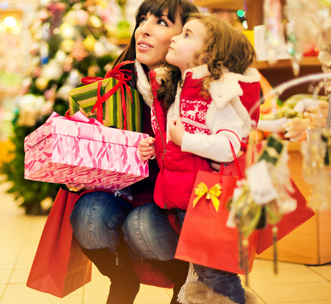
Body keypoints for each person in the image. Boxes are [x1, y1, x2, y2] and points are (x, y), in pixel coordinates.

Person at [67, 0, 199, 303]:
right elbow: (89, 147)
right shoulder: (116, 86)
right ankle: (122, 279)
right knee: (88, 216)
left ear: (186, 36)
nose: (145, 30)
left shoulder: (195, 90)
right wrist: (75, 170)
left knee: (142, 226)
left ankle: (183, 281)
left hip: (174, 207)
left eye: (161, 23)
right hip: (125, 194)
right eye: (142, 20)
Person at [132, 13, 261, 304]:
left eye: (187, 34)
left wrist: (183, 141)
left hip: (210, 201)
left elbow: (229, 144)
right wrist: (160, 147)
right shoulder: (182, 87)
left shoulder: (218, 93)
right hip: (189, 200)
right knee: (205, 276)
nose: (176, 37)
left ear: (208, 54)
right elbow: (181, 137)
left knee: (219, 277)